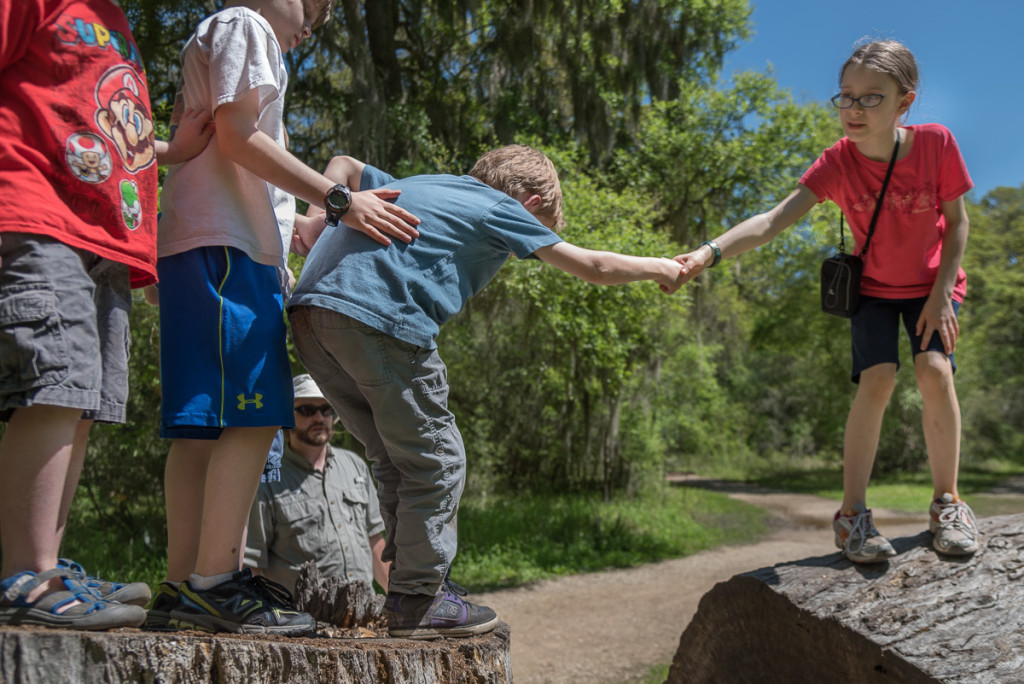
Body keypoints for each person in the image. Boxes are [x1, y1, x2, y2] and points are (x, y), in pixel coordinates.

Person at [288, 144, 686, 639]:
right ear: (533, 201)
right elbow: (592, 266)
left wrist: (314, 216)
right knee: (437, 457)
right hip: (380, 320)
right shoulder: (501, 207)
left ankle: (411, 589)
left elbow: (343, 165)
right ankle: (419, 599)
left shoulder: (423, 183)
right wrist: (662, 268)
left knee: (394, 457)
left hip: (309, 314)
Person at [146, 0, 420, 636]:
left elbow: (239, 166)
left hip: (212, 248)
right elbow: (240, 137)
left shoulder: (231, 33)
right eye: (312, 10)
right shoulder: (248, 25)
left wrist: (305, 223)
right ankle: (218, 581)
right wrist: (337, 196)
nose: (308, 29)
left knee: (202, 427)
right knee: (255, 416)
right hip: (227, 255)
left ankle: (185, 585)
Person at [674, 40, 978, 564]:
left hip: (933, 288)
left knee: (934, 370)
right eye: (846, 97)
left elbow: (957, 224)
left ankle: (947, 505)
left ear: (904, 103)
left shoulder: (936, 144)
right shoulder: (837, 163)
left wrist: (942, 294)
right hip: (874, 291)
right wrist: (709, 252)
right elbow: (772, 221)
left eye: (870, 99)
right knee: (878, 379)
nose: (854, 110)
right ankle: (853, 517)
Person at [0, 0, 211, 630]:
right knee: (54, 386)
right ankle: (24, 575)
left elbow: (98, 125)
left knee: (84, 402)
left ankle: (49, 566)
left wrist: (171, 150)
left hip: (107, 242)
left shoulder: (116, 22)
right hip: (35, 215)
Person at [244, 374, 390, 593]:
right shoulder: (267, 478)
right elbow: (252, 563)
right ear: (287, 416)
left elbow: (375, 541)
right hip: (302, 620)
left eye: (326, 409)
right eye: (307, 410)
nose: (319, 418)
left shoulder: (355, 466)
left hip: (364, 613)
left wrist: (401, 601)